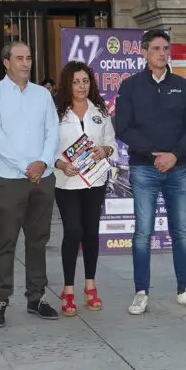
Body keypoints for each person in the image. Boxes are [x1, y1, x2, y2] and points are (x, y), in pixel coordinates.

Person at [113, 29, 186, 315]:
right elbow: (123, 127)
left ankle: (184, 289)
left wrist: (174, 154)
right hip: (144, 168)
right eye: (156, 49)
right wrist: (154, 154)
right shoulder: (130, 86)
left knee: (181, 232)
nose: (162, 53)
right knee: (142, 233)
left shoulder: (182, 85)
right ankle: (141, 292)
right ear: (143, 52)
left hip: (176, 168)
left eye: (165, 48)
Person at [0, 40, 60, 327]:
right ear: (6, 62)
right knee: (5, 242)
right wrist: (26, 166)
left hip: (43, 177)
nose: (26, 63)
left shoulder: (42, 95)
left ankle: (36, 297)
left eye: (28, 58)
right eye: (19, 58)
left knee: (38, 241)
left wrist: (42, 163)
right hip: (9, 179)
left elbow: (53, 131)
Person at [52, 60, 115, 317]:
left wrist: (104, 150)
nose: (81, 86)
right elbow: (46, 149)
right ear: (68, 83)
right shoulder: (56, 113)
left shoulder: (99, 111)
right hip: (66, 182)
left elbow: (111, 143)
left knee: (91, 232)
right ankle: (68, 290)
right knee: (73, 231)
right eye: (76, 81)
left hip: (94, 182)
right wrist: (60, 165)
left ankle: (90, 286)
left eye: (85, 81)